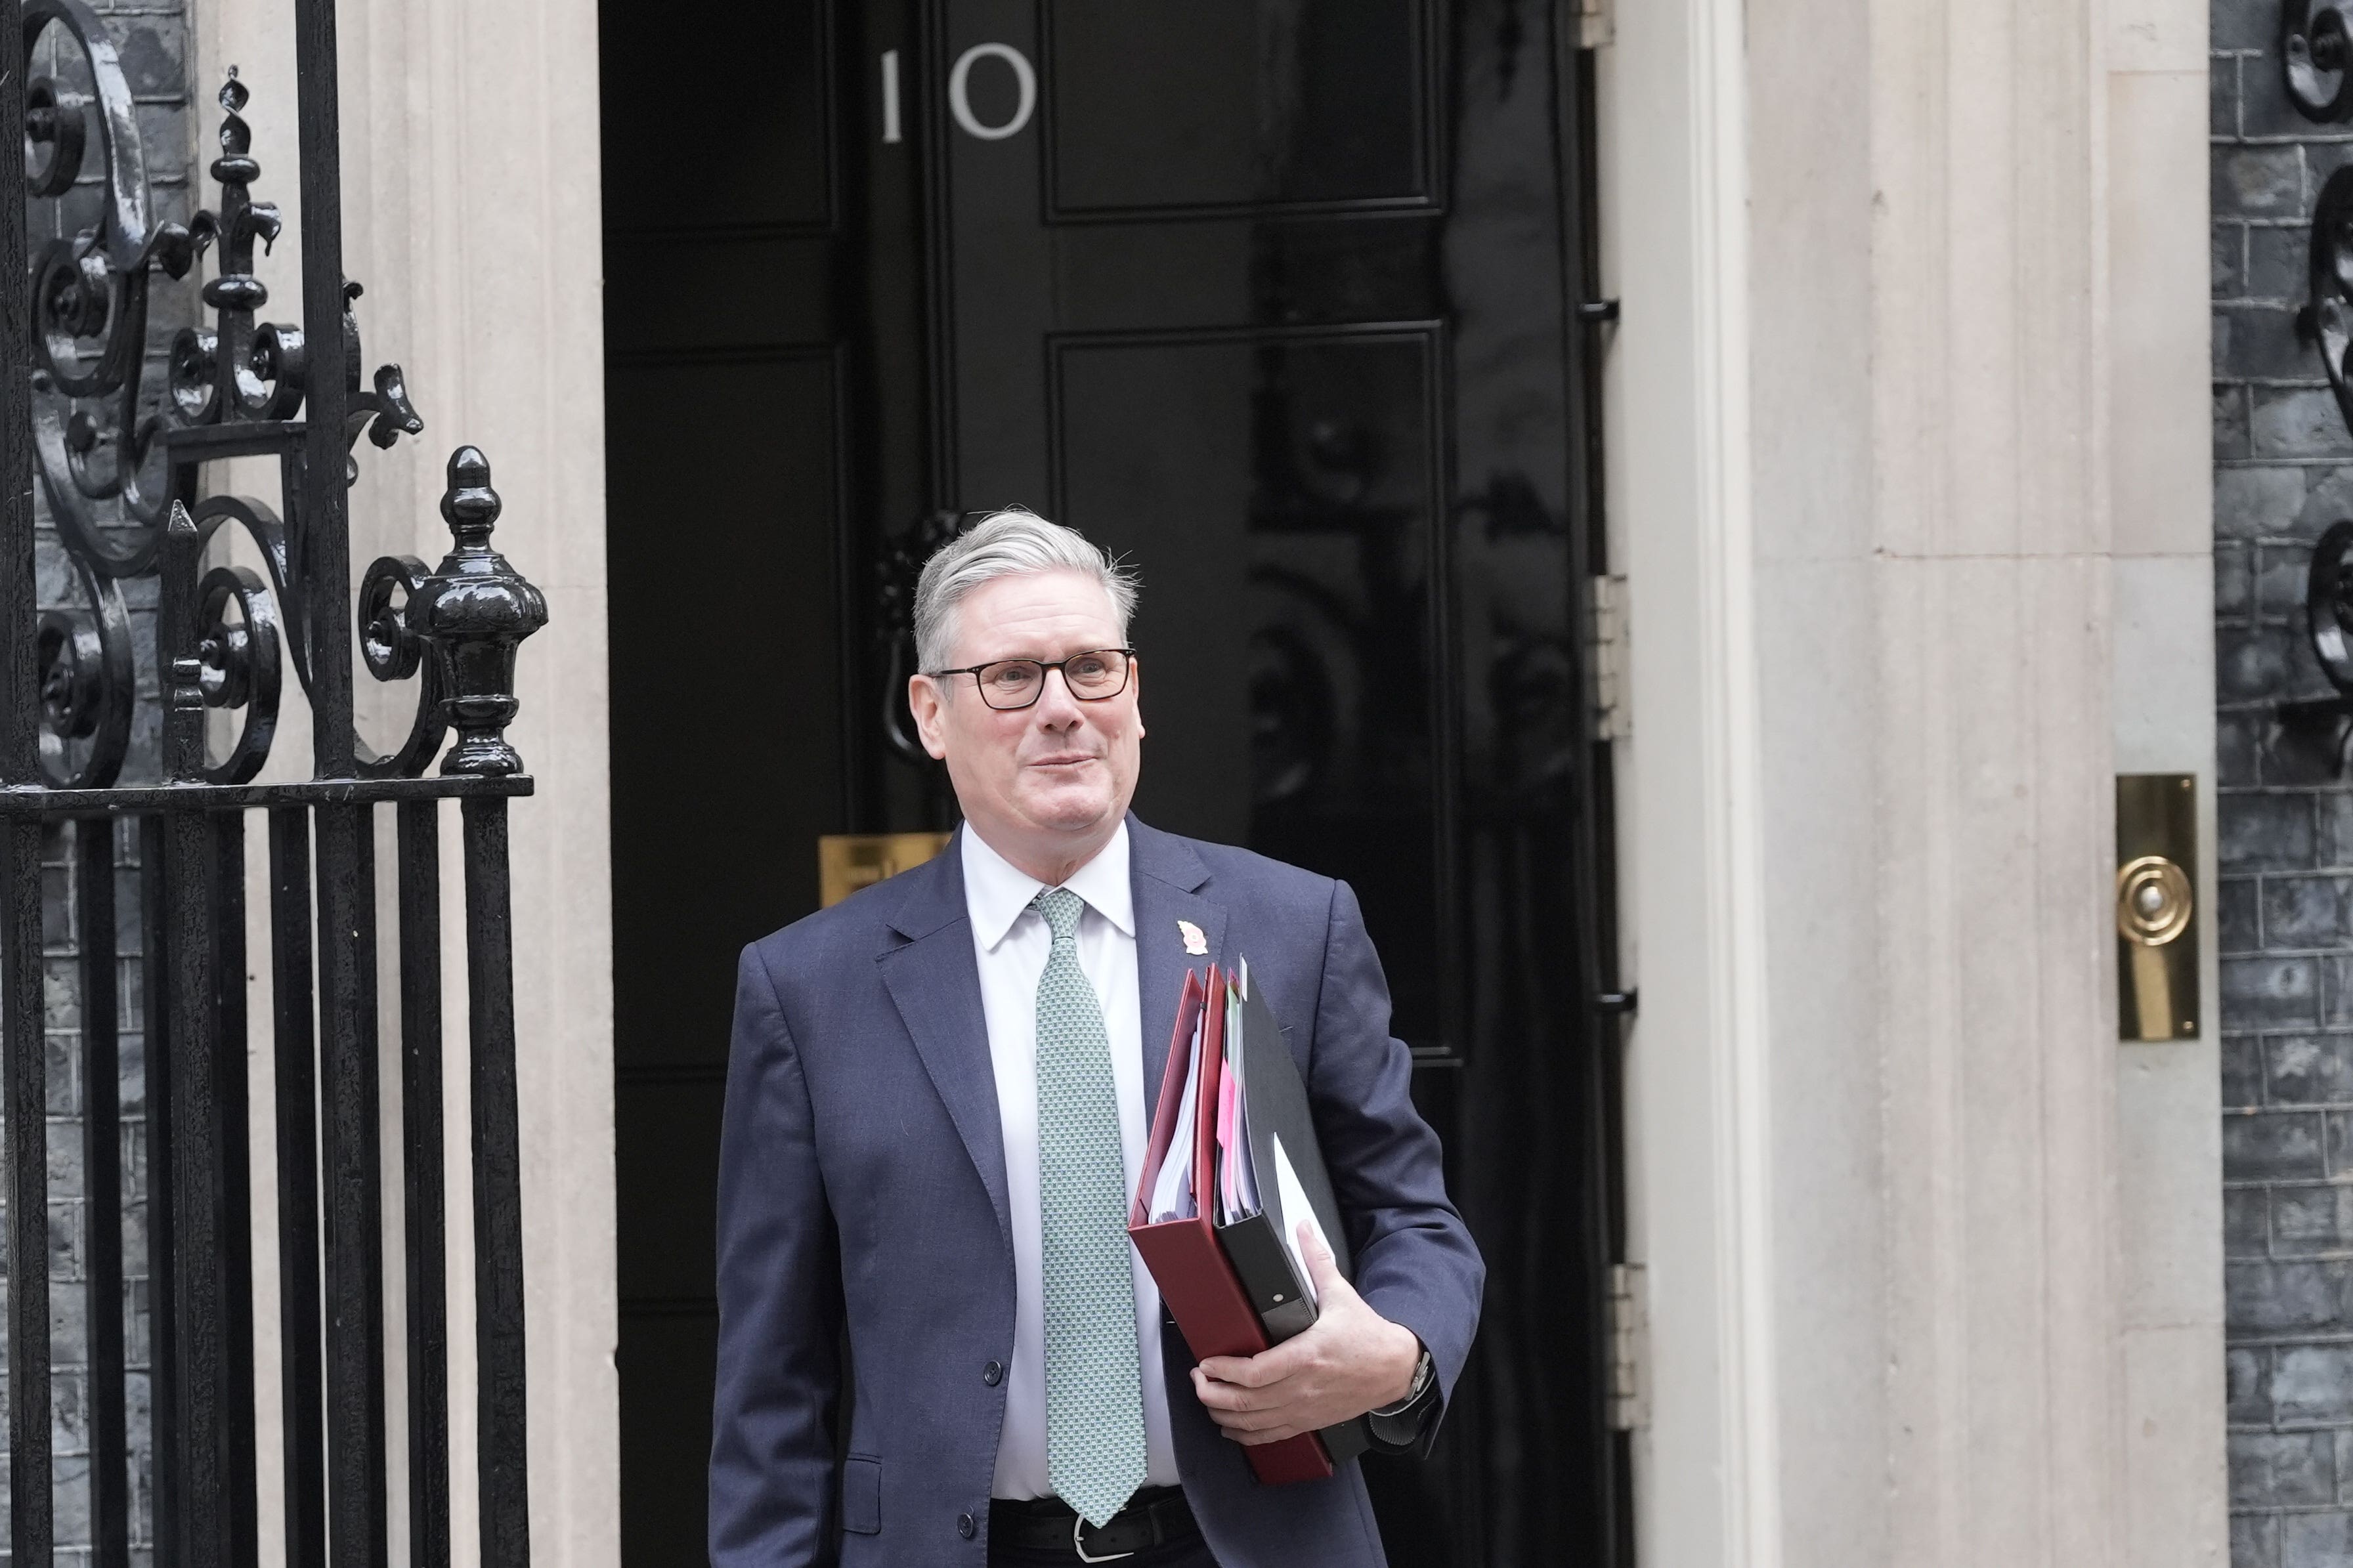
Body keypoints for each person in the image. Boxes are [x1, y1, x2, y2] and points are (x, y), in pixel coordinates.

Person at [710, 510, 1484, 1567]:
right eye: (1015, 677)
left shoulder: (1294, 929)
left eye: (1091, 668)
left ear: (1136, 696)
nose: (1063, 709)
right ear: (932, 713)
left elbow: (1417, 1220)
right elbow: (771, 1380)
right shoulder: (808, 988)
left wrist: (1395, 1355)